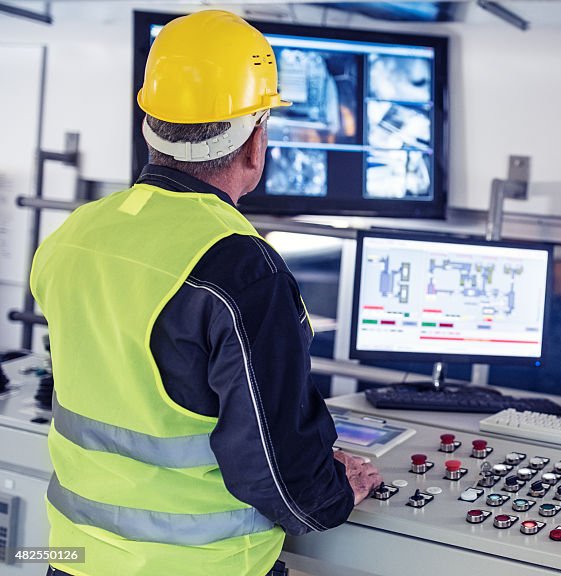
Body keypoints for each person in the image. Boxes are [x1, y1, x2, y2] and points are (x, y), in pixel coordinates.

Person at [29, 10, 381, 576]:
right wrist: (334, 490)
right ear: (255, 141)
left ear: (151, 125)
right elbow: (279, 479)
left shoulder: (75, 233)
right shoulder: (241, 270)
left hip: (71, 558)